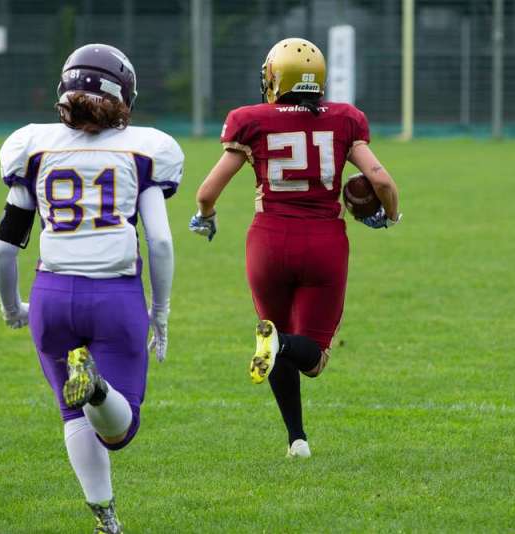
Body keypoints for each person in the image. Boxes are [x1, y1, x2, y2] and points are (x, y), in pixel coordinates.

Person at [0, 43, 183, 533]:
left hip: (51, 297)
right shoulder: (142, 151)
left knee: (70, 413)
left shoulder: (35, 148)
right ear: (126, 95)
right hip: (114, 297)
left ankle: (106, 517)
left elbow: (3, 249)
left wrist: (13, 307)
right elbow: (159, 241)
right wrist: (159, 311)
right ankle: (97, 388)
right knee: (119, 428)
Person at [189, 37, 401, 458]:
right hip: (323, 243)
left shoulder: (251, 120)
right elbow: (381, 182)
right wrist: (390, 216)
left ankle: (296, 439)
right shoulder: (344, 119)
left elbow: (207, 191)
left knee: (278, 335)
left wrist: (206, 215)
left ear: (274, 77)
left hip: (268, 242)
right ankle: (286, 380)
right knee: (313, 358)